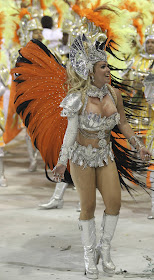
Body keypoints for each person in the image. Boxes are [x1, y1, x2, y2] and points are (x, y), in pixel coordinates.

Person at [12, 16, 152, 280]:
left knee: (114, 204)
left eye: (108, 67)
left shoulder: (114, 95)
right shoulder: (77, 98)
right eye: (102, 67)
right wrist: (63, 161)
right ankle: (90, 259)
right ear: (90, 71)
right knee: (87, 207)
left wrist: (138, 145)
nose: (108, 71)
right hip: (80, 158)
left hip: (105, 155)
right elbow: (71, 132)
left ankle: (105, 253)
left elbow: (122, 122)